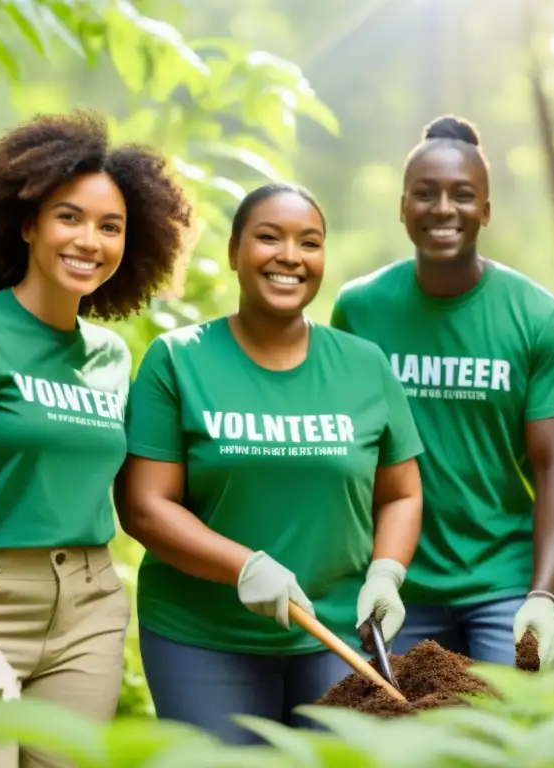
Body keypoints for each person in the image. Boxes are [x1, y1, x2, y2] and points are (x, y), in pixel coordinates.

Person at [0, 110, 193, 766]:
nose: (89, 240)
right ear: (27, 224)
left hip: (86, 615)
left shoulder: (111, 356)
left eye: (111, 226)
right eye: (68, 216)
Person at [115, 182, 424, 744]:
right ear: (234, 253)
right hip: (201, 638)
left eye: (309, 242)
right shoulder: (179, 360)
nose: (290, 256)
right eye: (268, 237)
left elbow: (401, 492)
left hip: (334, 633)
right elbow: (144, 506)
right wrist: (242, 566)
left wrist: (387, 572)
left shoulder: (364, 365)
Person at [330, 115, 554, 670]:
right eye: (425, 194)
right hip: (395, 582)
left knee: (512, 739)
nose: (443, 208)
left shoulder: (535, 316)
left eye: (462, 195)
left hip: (503, 580)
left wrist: (545, 596)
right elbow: (347, 452)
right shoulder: (360, 308)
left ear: (486, 211)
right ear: (403, 208)